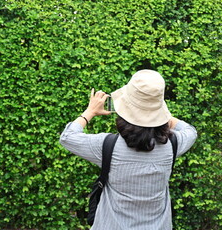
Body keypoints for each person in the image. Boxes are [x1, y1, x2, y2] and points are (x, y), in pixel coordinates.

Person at [59, 69, 197, 229]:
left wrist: (90, 111)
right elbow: (190, 131)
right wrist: (156, 111)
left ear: (124, 109)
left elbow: (67, 136)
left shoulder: (106, 146)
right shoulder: (173, 145)